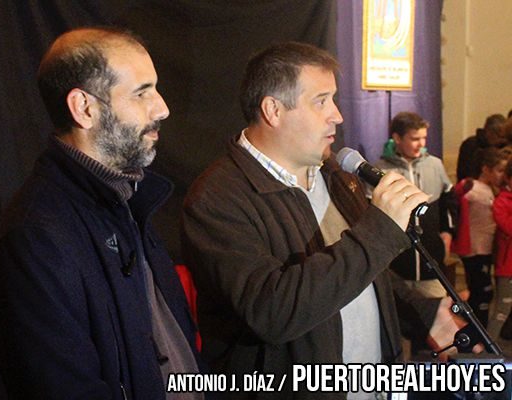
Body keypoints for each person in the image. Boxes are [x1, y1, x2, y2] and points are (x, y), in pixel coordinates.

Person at [182, 42, 465, 400]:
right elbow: (273, 311)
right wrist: (380, 230)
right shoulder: (217, 199)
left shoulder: (332, 174)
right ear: (273, 110)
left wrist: (422, 311)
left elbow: (361, 274)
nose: (337, 115)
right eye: (321, 101)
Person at [0, 27, 204, 399]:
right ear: (84, 108)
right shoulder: (35, 238)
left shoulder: (130, 201)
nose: (162, 108)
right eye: (141, 92)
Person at [373, 112, 456, 299]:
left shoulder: (435, 165)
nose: (422, 144)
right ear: (397, 138)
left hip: (431, 265)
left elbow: (448, 202)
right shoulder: (380, 169)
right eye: (415, 138)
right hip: (396, 268)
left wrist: (448, 234)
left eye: (424, 138)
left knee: (437, 318)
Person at [452, 147, 508, 328]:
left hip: (486, 248)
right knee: (481, 292)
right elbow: (457, 197)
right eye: (499, 170)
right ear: (486, 169)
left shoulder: (492, 190)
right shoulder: (472, 187)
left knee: (482, 292)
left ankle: (477, 331)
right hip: (474, 248)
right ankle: (476, 332)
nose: (502, 175)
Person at [491, 157, 512, 340]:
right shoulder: (502, 201)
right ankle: (489, 348)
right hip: (508, 268)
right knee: (502, 309)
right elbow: (508, 226)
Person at [456, 114, 506, 182]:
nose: (502, 140)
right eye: (500, 137)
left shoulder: (501, 146)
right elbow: (465, 172)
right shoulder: (471, 145)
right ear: (489, 132)